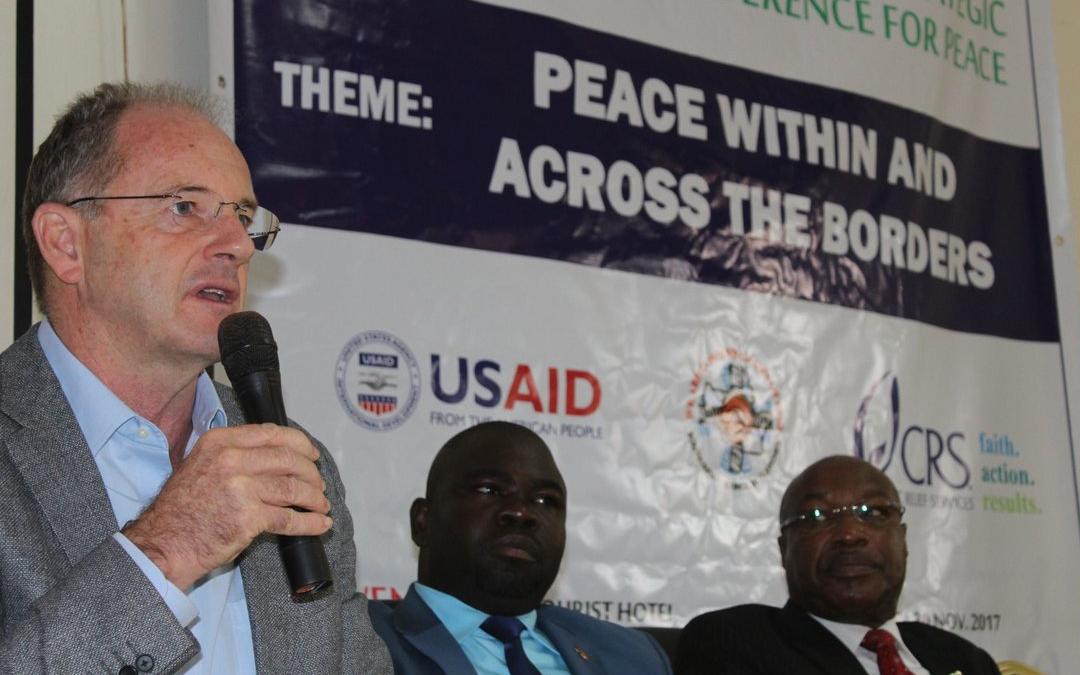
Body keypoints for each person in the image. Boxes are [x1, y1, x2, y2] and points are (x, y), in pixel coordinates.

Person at [0, 82, 390, 673]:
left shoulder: (292, 459)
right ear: (66, 243)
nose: (237, 245)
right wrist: (167, 549)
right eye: (184, 207)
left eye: (243, 217)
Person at [369, 421, 672, 674]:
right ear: (423, 521)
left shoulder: (633, 656)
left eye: (545, 500)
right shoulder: (358, 638)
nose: (521, 512)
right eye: (489, 489)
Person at [674, 456, 1000, 675]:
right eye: (817, 516)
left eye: (873, 512)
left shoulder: (965, 659)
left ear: (903, 540)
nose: (849, 534)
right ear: (784, 549)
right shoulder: (734, 645)